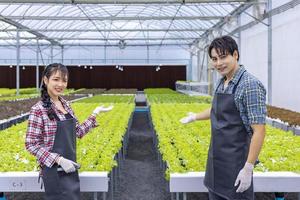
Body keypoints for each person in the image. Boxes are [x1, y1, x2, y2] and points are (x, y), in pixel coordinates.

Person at [180, 36, 266, 200]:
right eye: (214, 59)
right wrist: (194, 117)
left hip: (236, 164)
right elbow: (215, 109)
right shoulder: (223, 81)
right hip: (216, 162)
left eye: (223, 56)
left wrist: (248, 168)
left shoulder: (249, 85)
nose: (218, 63)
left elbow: (259, 130)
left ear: (235, 55)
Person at [25, 63, 113, 200]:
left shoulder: (66, 105)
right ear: (46, 80)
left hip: (70, 167)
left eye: (64, 80)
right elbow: (31, 144)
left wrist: (94, 114)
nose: (60, 84)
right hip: (54, 171)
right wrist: (58, 159)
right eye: (56, 79)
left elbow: (78, 131)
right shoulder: (38, 109)